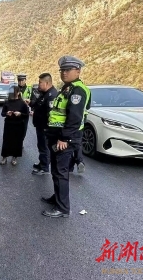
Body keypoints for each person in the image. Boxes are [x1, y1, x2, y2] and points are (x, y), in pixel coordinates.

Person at [41, 55, 91, 218]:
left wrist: (65, 139)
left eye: (68, 70)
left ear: (78, 71)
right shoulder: (67, 87)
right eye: (62, 70)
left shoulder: (78, 90)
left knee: (61, 172)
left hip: (65, 139)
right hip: (57, 136)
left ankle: (63, 208)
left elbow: (75, 117)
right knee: (56, 170)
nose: (64, 73)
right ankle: (57, 198)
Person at [31, 73, 58, 175]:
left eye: (40, 82)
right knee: (41, 146)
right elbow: (38, 104)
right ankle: (42, 162)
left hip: (45, 127)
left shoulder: (52, 95)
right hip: (40, 125)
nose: (38, 85)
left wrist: (48, 128)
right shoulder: (45, 93)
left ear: (47, 83)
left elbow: (50, 114)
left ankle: (44, 168)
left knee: (44, 147)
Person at [0, 86, 30, 166]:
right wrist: (7, 113)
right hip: (8, 124)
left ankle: (15, 157)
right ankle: (4, 157)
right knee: (6, 141)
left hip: (18, 124)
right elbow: (2, 113)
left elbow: (27, 114)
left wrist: (20, 114)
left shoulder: (22, 103)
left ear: (18, 93)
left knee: (17, 141)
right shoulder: (7, 102)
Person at [17, 74, 32, 144]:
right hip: (16, 112)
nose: (20, 82)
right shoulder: (14, 89)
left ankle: (21, 141)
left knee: (24, 129)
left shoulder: (30, 88)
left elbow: (33, 99)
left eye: (22, 80)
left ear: (25, 80)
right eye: (19, 80)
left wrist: (29, 101)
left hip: (25, 112)